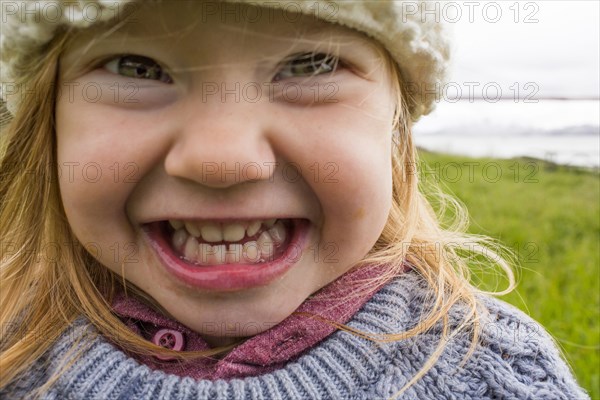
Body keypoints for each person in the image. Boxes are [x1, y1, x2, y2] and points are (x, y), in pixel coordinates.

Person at [0, 1, 589, 399]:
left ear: (396, 129)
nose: (223, 160)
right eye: (136, 67)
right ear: (44, 125)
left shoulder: (497, 378)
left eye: (311, 64)